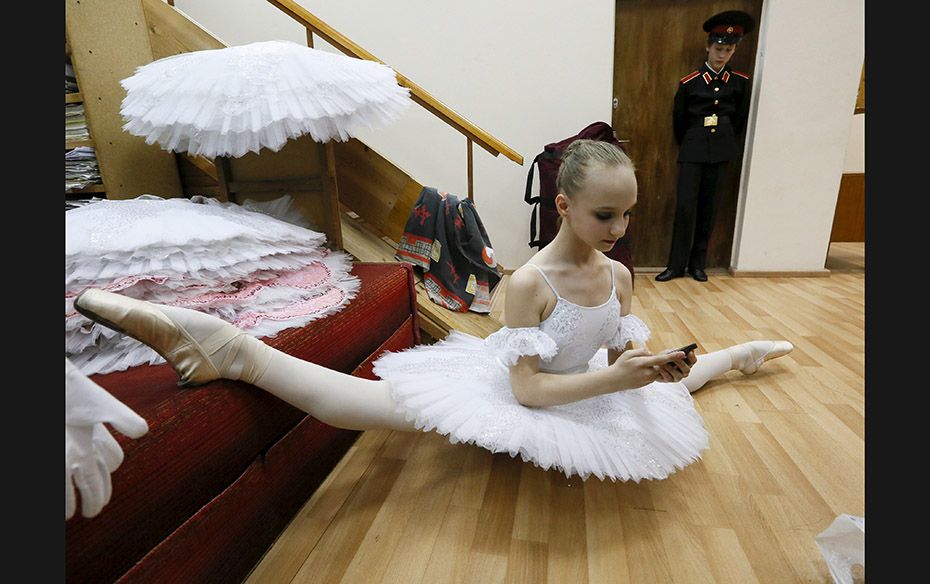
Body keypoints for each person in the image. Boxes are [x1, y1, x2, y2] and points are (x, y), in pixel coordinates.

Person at [73, 140, 792, 482]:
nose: (619, 229)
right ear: (565, 206)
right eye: (606, 214)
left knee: (677, 393)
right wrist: (618, 381)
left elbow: (610, 366)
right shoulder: (528, 285)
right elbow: (531, 392)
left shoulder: (620, 277)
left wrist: (642, 370)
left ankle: (736, 356)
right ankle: (230, 350)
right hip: (527, 396)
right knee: (365, 404)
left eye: (628, 215)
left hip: (582, 392)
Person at [656, 10, 755, 283]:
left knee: (709, 209)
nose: (722, 55)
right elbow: (679, 121)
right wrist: (691, 142)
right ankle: (675, 265)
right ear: (708, 47)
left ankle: (697, 265)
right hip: (693, 149)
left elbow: (739, 119)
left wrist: (724, 142)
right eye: (719, 49)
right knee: (686, 207)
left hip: (721, 150)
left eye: (728, 50)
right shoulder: (690, 83)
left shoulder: (740, 83)